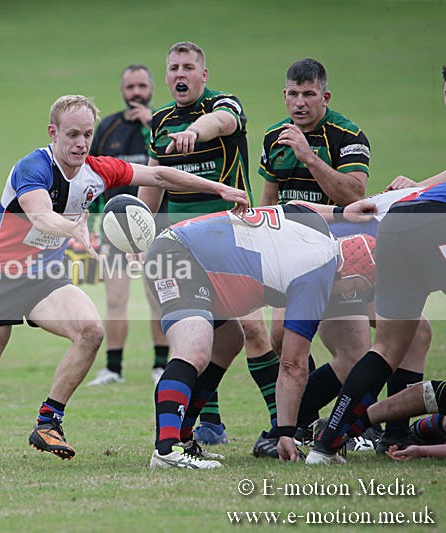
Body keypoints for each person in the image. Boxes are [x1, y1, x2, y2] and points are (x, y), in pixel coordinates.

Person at [0, 94, 249, 469]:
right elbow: (40, 214)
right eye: (72, 134)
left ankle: (48, 421)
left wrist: (218, 188)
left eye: (87, 134)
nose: (81, 143)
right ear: (53, 132)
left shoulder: (98, 169)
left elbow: (158, 175)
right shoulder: (33, 167)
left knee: (91, 331)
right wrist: (71, 228)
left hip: (45, 279)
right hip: (0, 279)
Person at [143, 202, 377, 469]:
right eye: (356, 289)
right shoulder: (316, 275)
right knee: (193, 348)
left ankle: (183, 440)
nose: (350, 296)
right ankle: (167, 450)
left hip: (191, 251)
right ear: (349, 275)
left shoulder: (318, 229)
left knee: (228, 341)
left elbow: (295, 206)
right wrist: (285, 432)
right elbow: (292, 364)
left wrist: (340, 212)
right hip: (179, 255)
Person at [307, 70, 446, 464]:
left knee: (387, 346)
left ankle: (326, 444)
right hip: (432, 225)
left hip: (398, 223)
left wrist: (413, 189)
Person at [137, 41, 271, 446]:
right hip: (182, 246)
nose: (180, 74)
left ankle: (284, 426)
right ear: (166, 76)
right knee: (197, 333)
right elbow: (154, 182)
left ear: (203, 74)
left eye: (188, 67)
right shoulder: (160, 121)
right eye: (174, 68)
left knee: (251, 329)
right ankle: (207, 424)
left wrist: (194, 131)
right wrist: (139, 238)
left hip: (231, 237)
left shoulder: (223, 104)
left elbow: (222, 122)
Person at [249, 58, 375, 456]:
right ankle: (302, 426)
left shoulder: (347, 135)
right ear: (284, 95)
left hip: (339, 259)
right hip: (289, 256)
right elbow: (268, 203)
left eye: (308, 94)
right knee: (282, 341)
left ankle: (324, 426)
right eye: (293, 94)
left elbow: (354, 195)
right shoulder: (275, 137)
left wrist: (309, 157)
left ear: (325, 96)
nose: (299, 103)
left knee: (354, 353)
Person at [85, 64, 169, 386]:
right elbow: (91, 175)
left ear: (151, 89)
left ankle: (161, 365)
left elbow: (172, 165)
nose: (136, 93)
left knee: (157, 296)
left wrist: (151, 124)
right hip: (116, 229)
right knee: (115, 299)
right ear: (122, 90)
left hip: (158, 226)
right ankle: (113, 369)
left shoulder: (163, 123)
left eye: (142, 86)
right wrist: (91, 221)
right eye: (130, 87)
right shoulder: (108, 128)